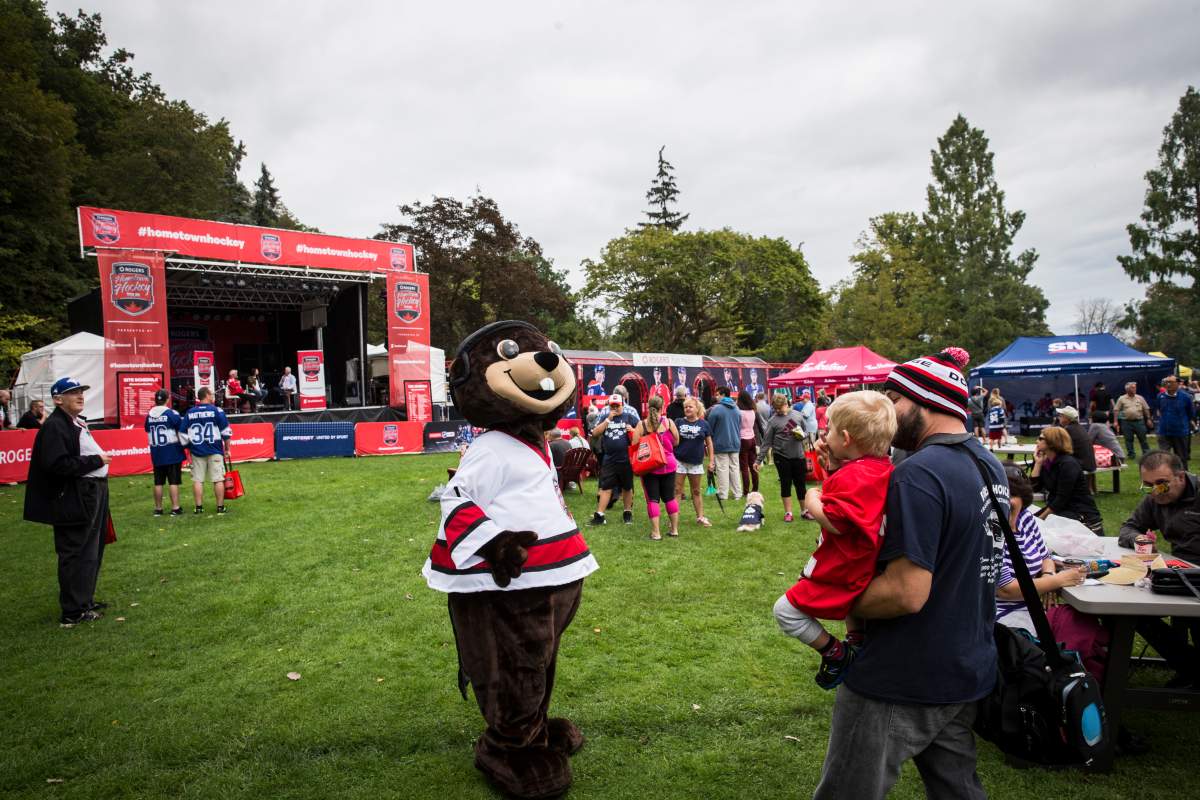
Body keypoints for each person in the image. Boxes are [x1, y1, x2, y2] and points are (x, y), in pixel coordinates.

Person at [812, 348, 1003, 800]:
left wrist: (821, 600)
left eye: (892, 399)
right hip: (964, 665)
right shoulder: (987, 464)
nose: (887, 414)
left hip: (902, 673)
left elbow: (905, 593)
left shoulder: (918, 473)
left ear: (924, 401)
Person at [774, 391, 897, 688]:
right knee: (853, 614)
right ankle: (857, 642)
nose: (824, 434)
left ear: (845, 437)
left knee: (785, 612)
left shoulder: (855, 476)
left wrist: (812, 498)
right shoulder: (880, 469)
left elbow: (837, 521)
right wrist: (830, 468)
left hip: (845, 569)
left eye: (828, 429)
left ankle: (837, 654)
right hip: (862, 563)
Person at [23, 378, 113, 626]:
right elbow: (56, 464)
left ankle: (84, 600)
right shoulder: (55, 426)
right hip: (75, 494)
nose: (80, 396)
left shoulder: (72, 422)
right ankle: (73, 610)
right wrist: (96, 461)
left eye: (81, 391)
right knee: (76, 550)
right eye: (72, 392)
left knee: (92, 548)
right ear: (58, 399)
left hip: (90, 490)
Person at [1116, 450, 1200, 687]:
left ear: (1181, 477)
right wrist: (1139, 539)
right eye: (1148, 485)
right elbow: (1128, 528)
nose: (1155, 491)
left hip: (1192, 578)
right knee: (1134, 615)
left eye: (1161, 484)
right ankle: (1191, 667)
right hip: (1177, 574)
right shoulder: (1156, 498)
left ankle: (1190, 670)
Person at [995, 466, 1086, 634]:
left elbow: (1046, 557)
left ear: (1023, 499)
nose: (1005, 501)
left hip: (1033, 607)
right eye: (999, 496)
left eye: (1012, 495)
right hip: (1002, 616)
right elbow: (1006, 590)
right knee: (1077, 631)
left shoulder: (1026, 519)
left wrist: (1048, 577)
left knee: (1085, 624)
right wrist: (1057, 581)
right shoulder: (991, 532)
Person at [1031, 426, 1105, 534]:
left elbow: (1061, 499)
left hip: (1081, 515)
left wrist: (1040, 520)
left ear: (1052, 442)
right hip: (1062, 510)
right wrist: (1038, 463)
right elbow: (1034, 487)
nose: (1037, 441)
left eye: (1041, 438)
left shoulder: (1068, 464)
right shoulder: (1046, 462)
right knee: (1027, 523)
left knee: (1034, 527)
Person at [630, 395, 680, 540]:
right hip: (669, 464)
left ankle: (656, 532)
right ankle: (674, 530)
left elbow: (634, 445)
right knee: (670, 498)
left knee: (653, 499)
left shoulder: (642, 425)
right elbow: (676, 441)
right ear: (662, 407)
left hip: (650, 465)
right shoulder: (669, 423)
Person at [587, 394, 638, 526]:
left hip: (626, 459)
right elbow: (595, 433)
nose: (615, 407)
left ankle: (627, 513)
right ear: (609, 405)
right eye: (612, 405)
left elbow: (641, 432)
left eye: (617, 405)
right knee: (606, 487)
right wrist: (608, 420)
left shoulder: (629, 417)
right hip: (609, 458)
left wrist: (633, 430)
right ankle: (600, 515)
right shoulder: (605, 417)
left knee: (627, 487)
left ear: (622, 404)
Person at [181, 386, 233, 514]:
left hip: (197, 450)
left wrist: (188, 448)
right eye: (211, 394)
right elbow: (226, 432)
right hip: (214, 449)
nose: (213, 396)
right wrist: (227, 449)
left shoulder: (190, 412)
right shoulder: (217, 411)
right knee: (218, 479)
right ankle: (220, 507)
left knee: (198, 479)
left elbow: (182, 433)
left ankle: (199, 508)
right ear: (207, 395)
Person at [757, 393, 807, 522]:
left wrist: (801, 435)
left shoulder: (797, 415)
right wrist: (759, 459)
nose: (778, 411)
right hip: (781, 456)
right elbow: (766, 442)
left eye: (780, 408)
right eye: (775, 409)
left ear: (786, 404)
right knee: (786, 484)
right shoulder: (773, 421)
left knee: (800, 484)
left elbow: (806, 432)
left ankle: (804, 511)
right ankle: (788, 513)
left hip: (798, 455)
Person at [674, 396, 714, 528]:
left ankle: (700, 517)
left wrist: (711, 461)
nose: (687, 409)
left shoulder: (704, 424)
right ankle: (673, 518)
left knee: (696, 491)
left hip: (696, 463)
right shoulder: (678, 422)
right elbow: (671, 440)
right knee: (677, 490)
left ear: (697, 409)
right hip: (679, 461)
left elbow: (709, 443)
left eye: (690, 406)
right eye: (685, 407)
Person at [145, 389, 185, 516]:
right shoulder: (171, 414)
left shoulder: (149, 415)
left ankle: (158, 508)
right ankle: (175, 507)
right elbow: (181, 428)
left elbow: (147, 429)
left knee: (158, 482)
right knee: (173, 481)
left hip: (157, 452)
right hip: (172, 451)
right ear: (167, 399)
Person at [707, 386, 742, 501]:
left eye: (717, 395)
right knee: (734, 469)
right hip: (735, 442)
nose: (716, 397)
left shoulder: (716, 409)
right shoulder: (736, 408)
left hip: (720, 443)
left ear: (722, 395)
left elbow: (709, 428)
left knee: (722, 469)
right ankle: (737, 493)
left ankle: (723, 494)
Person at [1157, 375, 1194, 469]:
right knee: (1164, 457)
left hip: (1180, 432)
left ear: (1178, 383)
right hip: (1164, 432)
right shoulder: (1160, 396)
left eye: (1171, 382)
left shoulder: (1186, 397)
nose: (1168, 384)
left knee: (1181, 458)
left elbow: (1190, 413)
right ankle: (1165, 477)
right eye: (1167, 382)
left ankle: (1184, 477)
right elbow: (1159, 410)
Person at [1114, 381, 1153, 458]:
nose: (1135, 389)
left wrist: (1148, 419)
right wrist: (1115, 421)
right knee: (1128, 439)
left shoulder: (1140, 398)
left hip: (1139, 421)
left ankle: (1146, 453)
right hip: (1126, 422)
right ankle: (1131, 454)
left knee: (1143, 438)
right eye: (1132, 388)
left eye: (1135, 387)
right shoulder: (1121, 398)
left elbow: (1146, 408)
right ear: (1127, 389)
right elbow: (1116, 410)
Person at [1055, 406, 1097, 472]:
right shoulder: (1079, 427)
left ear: (1066, 418)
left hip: (1082, 465)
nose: (1058, 417)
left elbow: (1060, 448)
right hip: (1089, 464)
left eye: (1060, 415)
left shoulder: (1068, 429)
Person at [736, 390, 760, 497]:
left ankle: (746, 491)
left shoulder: (739, 412)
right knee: (753, 465)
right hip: (752, 438)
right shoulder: (753, 411)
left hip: (743, 439)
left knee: (744, 467)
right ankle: (755, 488)